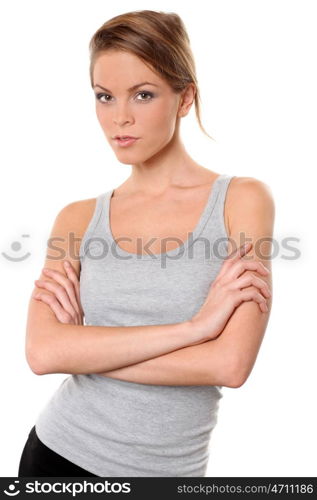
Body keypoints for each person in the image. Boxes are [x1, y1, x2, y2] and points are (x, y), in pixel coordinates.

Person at [18, 10, 274, 477]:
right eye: (104, 96)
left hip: (170, 475)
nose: (120, 118)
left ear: (184, 98)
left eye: (143, 94)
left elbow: (231, 365)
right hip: (59, 457)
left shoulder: (242, 200)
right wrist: (195, 329)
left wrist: (85, 349)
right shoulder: (76, 219)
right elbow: (43, 354)